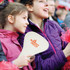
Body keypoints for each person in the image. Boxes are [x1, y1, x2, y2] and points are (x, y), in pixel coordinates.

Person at [19, 0, 70, 70]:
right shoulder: (24, 33)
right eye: (41, 1)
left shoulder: (53, 24)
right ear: (29, 7)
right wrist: (65, 53)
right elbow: (40, 67)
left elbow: (66, 44)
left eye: (46, 1)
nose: (47, 4)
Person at [0, 2, 35, 70]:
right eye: (24, 18)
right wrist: (16, 63)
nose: (27, 22)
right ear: (11, 19)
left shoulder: (16, 40)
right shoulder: (1, 41)